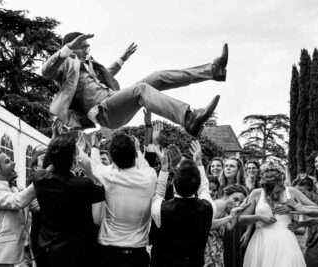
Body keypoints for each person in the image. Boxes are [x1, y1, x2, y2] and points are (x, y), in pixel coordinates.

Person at [42, 32, 227, 137]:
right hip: (102, 112)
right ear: (73, 46)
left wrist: (122, 59)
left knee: (156, 77)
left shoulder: (88, 65)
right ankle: (188, 119)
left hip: (113, 101)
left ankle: (212, 71)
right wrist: (66, 50)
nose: (88, 49)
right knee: (142, 90)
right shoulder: (65, 66)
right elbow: (45, 72)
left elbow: (106, 75)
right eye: (84, 46)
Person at [77, 132, 157, 267]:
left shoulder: (109, 175)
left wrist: (95, 147)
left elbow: (94, 165)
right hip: (137, 257)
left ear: (112, 159)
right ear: (134, 156)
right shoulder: (150, 176)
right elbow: (145, 166)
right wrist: (137, 149)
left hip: (108, 254)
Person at [32, 134, 105, 267]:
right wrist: (89, 172)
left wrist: (55, 139)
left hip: (47, 250)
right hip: (75, 254)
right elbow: (102, 192)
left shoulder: (39, 178)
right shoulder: (83, 184)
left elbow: (47, 164)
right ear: (74, 159)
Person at [240, 161, 317, 267]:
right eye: (269, 191)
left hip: (285, 240)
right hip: (261, 241)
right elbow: (242, 218)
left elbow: (315, 208)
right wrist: (258, 217)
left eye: (277, 191)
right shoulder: (256, 193)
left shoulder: (292, 192)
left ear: (281, 182)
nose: (274, 195)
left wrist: (293, 207)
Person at [0, 151, 39, 267]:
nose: (13, 163)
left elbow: (37, 206)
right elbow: (17, 201)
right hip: (7, 254)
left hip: (27, 249)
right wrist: (40, 178)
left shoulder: (17, 188)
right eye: (8, 162)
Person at [204, 184, 249, 267]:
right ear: (226, 195)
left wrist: (237, 212)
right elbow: (207, 225)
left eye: (240, 202)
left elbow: (229, 227)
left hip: (215, 248)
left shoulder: (224, 209)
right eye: (235, 199)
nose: (237, 204)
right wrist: (230, 217)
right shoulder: (221, 203)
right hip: (208, 248)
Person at [216, 157, 246, 267]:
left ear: (238, 170)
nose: (228, 168)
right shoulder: (218, 187)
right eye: (226, 166)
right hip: (219, 225)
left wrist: (247, 233)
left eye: (232, 166)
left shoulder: (244, 189)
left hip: (237, 226)